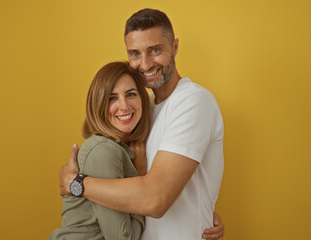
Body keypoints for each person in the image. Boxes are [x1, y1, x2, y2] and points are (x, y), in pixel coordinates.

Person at [59, 8, 225, 240]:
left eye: (155, 50)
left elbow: (155, 198)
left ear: (175, 47)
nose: (145, 64)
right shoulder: (140, 109)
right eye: (135, 54)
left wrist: (75, 183)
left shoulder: (192, 101)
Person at [49, 61, 151, 239]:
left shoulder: (122, 148)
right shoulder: (103, 150)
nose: (124, 106)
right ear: (98, 104)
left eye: (131, 94)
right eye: (112, 98)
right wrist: (140, 176)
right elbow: (123, 238)